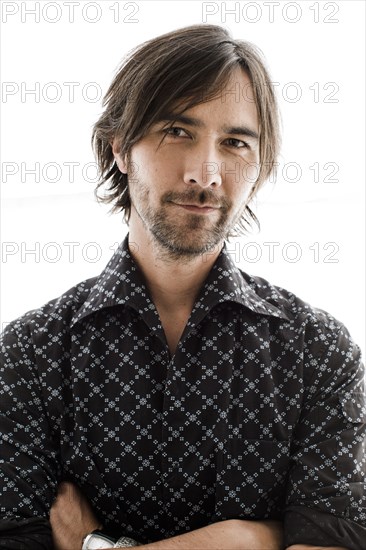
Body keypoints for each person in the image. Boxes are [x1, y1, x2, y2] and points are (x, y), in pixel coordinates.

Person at [0, 24, 365, 550]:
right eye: (178, 131)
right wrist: (251, 539)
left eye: (235, 142)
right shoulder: (32, 355)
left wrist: (99, 546)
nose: (206, 172)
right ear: (121, 148)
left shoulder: (320, 352)